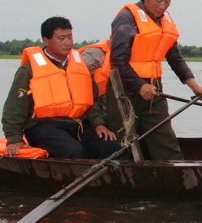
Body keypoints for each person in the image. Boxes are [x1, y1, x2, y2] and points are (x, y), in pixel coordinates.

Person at [109, 0, 202, 160]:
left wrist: (195, 86)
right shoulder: (127, 18)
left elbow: (175, 58)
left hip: (153, 88)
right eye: (159, 0)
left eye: (168, 1)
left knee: (165, 140)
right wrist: (140, 85)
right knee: (124, 141)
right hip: (125, 89)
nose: (163, 6)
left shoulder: (164, 21)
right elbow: (117, 60)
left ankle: (176, 172)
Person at [2, 16, 121, 159]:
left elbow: (93, 100)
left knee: (113, 148)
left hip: (78, 125)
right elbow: (15, 106)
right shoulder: (29, 70)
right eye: (61, 38)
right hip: (43, 127)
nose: (68, 43)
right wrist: (14, 138)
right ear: (46, 40)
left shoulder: (81, 67)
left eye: (70, 37)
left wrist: (98, 124)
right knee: (73, 152)